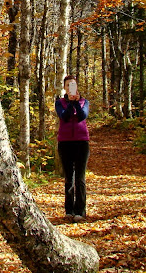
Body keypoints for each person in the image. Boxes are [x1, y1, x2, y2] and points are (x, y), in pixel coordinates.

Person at [55, 74, 90, 222]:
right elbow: (64, 117)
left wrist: (76, 102)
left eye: (73, 85)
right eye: (68, 85)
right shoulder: (59, 102)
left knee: (80, 178)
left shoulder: (84, 102)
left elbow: (82, 116)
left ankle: (80, 211)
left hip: (82, 142)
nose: (70, 87)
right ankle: (69, 210)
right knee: (69, 177)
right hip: (65, 142)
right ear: (64, 87)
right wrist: (70, 103)